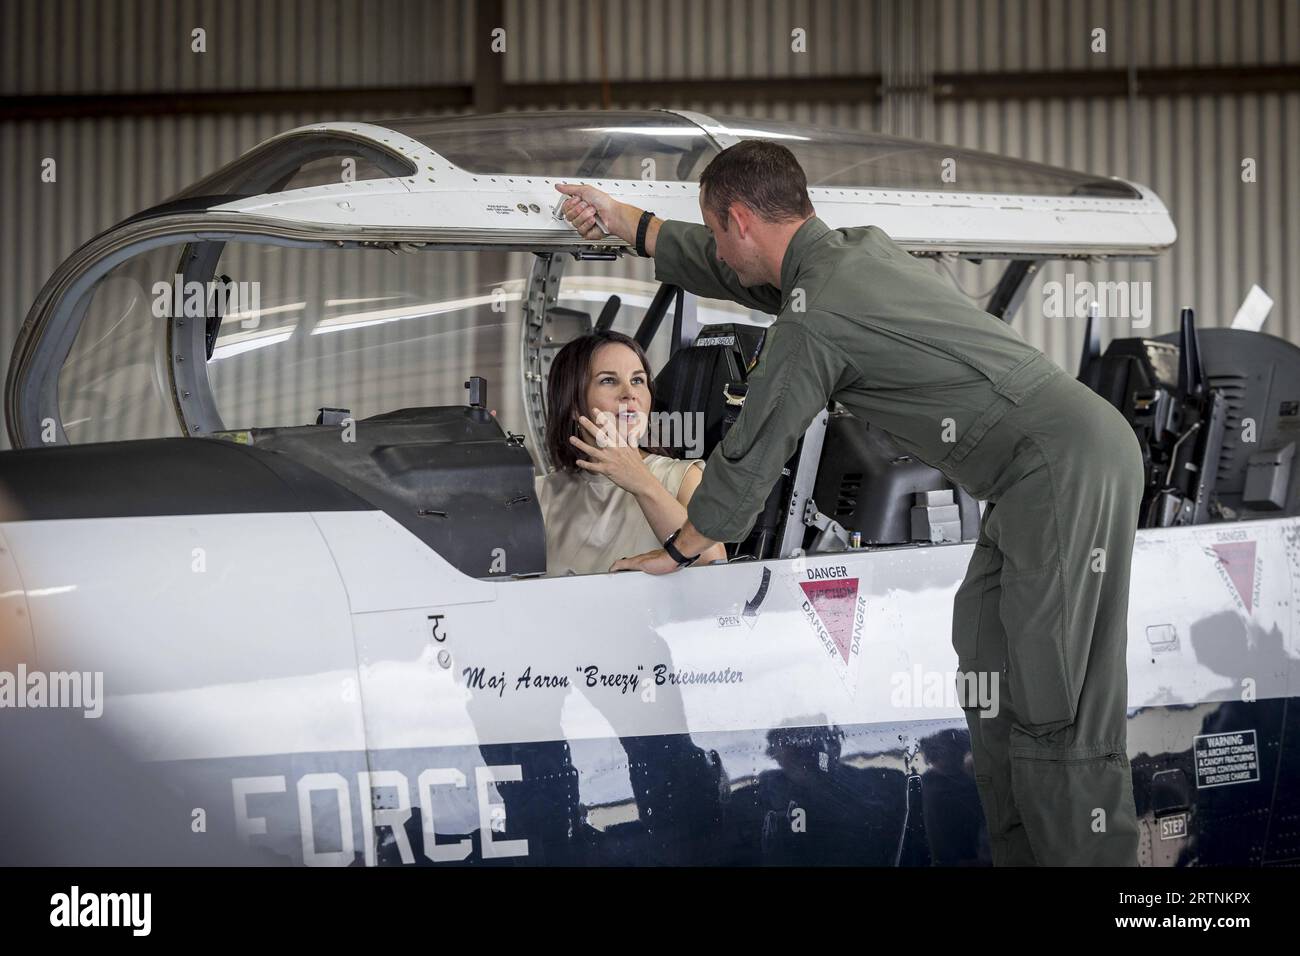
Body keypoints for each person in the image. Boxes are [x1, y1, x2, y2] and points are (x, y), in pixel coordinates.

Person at [554, 139, 1146, 866]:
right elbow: (745, 275)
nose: (718, 250)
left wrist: (684, 545)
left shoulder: (815, 320)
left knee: (1056, 703)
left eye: (715, 232)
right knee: (990, 659)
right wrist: (633, 225)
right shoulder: (854, 255)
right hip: (1046, 468)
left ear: (740, 219)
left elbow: (757, 442)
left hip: (1060, 469)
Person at [535, 330, 727, 576]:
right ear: (572, 403)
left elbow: (714, 565)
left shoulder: (683, 478)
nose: (630, 393)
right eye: (608, 380)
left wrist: (640, 479)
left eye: (637, 380)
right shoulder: (542, 493)